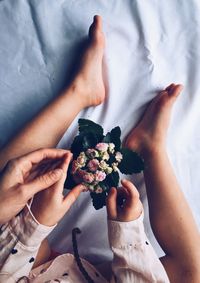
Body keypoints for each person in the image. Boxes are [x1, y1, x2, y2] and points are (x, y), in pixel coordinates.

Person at [0, 15, 199, 283]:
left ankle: (80, 91)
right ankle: (149, 146)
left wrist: (34, 223)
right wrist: (128, 238)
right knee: (193, 271)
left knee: (7, 185)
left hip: (32, 271)